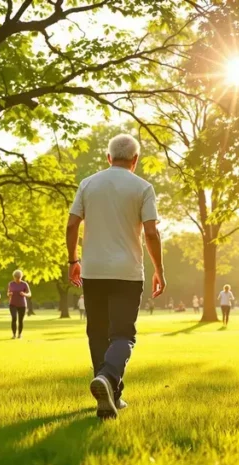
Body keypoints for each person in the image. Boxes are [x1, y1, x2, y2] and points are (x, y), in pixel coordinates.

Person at [66, 133, 165, 420]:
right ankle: (109, 380)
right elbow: (151, 232)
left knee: (97, 332)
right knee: (122, 334)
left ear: (108, 158)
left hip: (93, 271)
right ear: (135, 160)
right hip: (127, 273)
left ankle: (109, 398)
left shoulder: (88, 184)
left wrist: (74, 260)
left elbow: (72, 225)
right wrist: (159, 269)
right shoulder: (143, 187)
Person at [8, 270, 31, 339]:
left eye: (19, 277)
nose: (17, 279)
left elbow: (29, 294)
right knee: (14, 318)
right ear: (14, 277)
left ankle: (19, 334)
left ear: (21, 277)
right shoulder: (11, 284)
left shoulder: (24, 284)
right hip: (12, 304)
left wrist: (24, 294)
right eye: (16, 277)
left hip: (22, 304)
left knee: (20, 320)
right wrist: (9, 294)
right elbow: (8, 293)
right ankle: (14, 334)